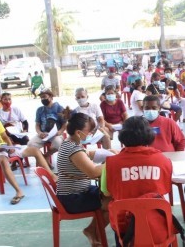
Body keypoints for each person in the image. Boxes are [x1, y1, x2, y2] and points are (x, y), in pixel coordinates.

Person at [101, 116, 173, 244]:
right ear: (149, 135)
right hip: (155, 223)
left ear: (123, 136)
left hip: (124, 226)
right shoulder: (163, 160)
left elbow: (106, 192)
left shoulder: (111, 163)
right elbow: (165, 189)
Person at [0, 98, 56, 204]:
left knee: (35, 150)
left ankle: (52, 176)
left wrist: (10, 147)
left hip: (5, 147)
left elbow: (5, 137)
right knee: (4, 161)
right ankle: (19, 191)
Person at [142, 95, 185, 225]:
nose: (150, 110)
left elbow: (181, 142)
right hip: (146, 166)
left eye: (153, 108)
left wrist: (178, 159)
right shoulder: (137, 124)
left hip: (170, 164)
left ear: (159, 108)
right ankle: (150, 211)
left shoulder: (169, 122)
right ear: (142, 108)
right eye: (147, 108)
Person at [56, 112, 110, 246]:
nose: (91, 134)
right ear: (79, 132)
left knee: (109, 195)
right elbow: (93, 172)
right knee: (113, 202)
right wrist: (112, 163)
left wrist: (109, 153)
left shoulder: (69, 144)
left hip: (73, 192)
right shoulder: (73, 150)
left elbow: (88, 154)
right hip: (73, 198)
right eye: (89, 132)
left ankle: (92, 230)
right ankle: (93, 231)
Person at [28, 89, 67, 164]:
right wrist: (39, 133)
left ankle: (46, 155)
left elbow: (65, 124)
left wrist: (59, 132)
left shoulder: (59, 108)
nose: (43, 99)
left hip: (56, 134)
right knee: (30, 144)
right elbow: (37, 125)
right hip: (43, 134)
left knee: (58, 143)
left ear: (51, 97)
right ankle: (42, 158)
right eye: (41, 98)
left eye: (44, 97)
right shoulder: (40, 110)